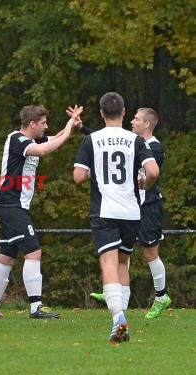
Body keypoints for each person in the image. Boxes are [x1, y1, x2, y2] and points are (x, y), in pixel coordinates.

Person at [0, 104, 82, 320]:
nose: (46, 127)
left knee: (6, 258)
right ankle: (36, 307)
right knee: (34, 252)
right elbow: (45, 150)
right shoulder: (17, 139)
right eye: (43, 123)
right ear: (32, 124)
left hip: (13, 206)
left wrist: (71, 124)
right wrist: (66, 132)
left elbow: (57, 137)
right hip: (11, 205)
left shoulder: (32, 140)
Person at [73, 92, 159, 343]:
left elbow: (78, 176)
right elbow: (153, 170)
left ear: (101, 113)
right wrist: (145, 183)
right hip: (131, 212)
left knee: (108, 263)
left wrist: (95, 174)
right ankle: (122, 316)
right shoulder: (135, 140)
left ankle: (118, 318)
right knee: (123, 263)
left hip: (106, 211)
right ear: (123, 112)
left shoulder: (92, 139)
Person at [81, 108, 171, 318]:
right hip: (130, 205)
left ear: (147, 124)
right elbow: (106, 143)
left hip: (148, 206)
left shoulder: (154, 147)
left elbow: (146, 173)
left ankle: (161, 296)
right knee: (122, 250)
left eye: (137, 119)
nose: (132, 121)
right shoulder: (132, 142)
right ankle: (115, 291)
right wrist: (83, 128)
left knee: (150, 253)